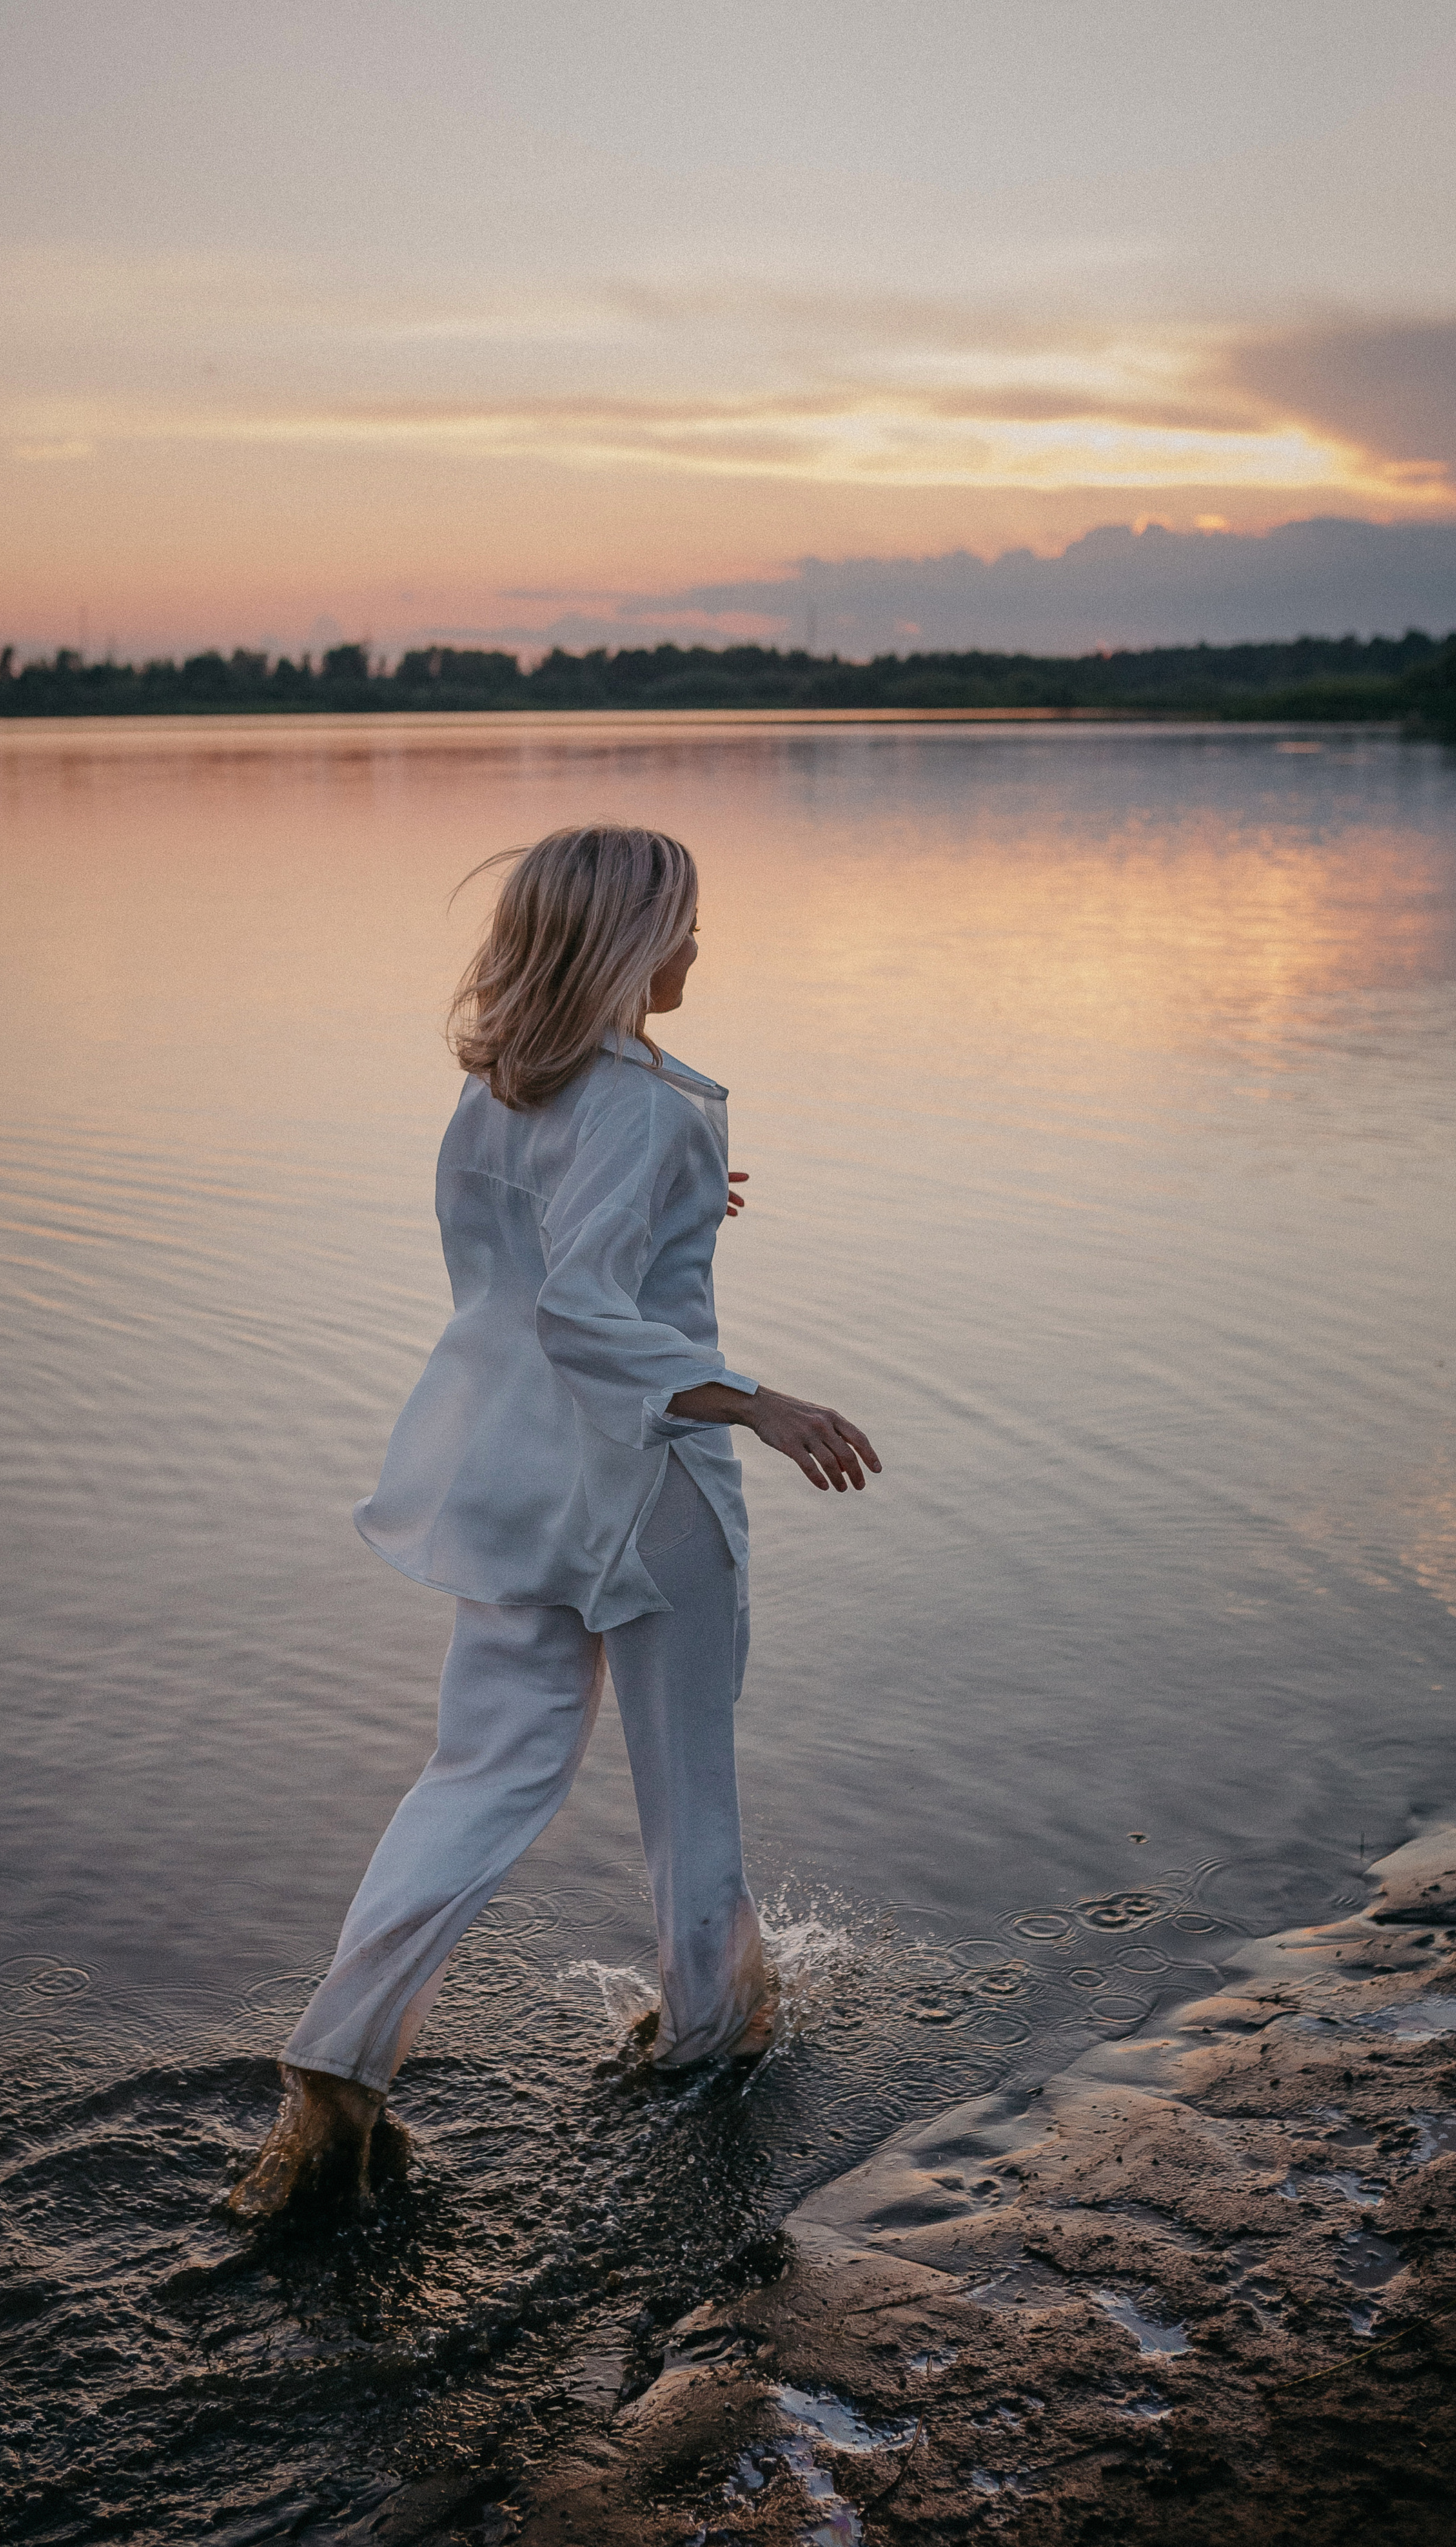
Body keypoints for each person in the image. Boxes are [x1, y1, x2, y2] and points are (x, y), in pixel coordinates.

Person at [227, 823, 880, 2218]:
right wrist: (762, 1405)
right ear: (629, 942)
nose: (699, 949)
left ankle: (338, 2062)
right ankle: (712, 2049)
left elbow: (523, 1267)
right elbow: (584, 1312)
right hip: (648, 1485)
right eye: (684, 925)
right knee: (683, 1792)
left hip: (513, 1483)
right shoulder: (646, 1105)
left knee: (480, 1775)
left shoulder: (506, 1088)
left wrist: (683, 1195)